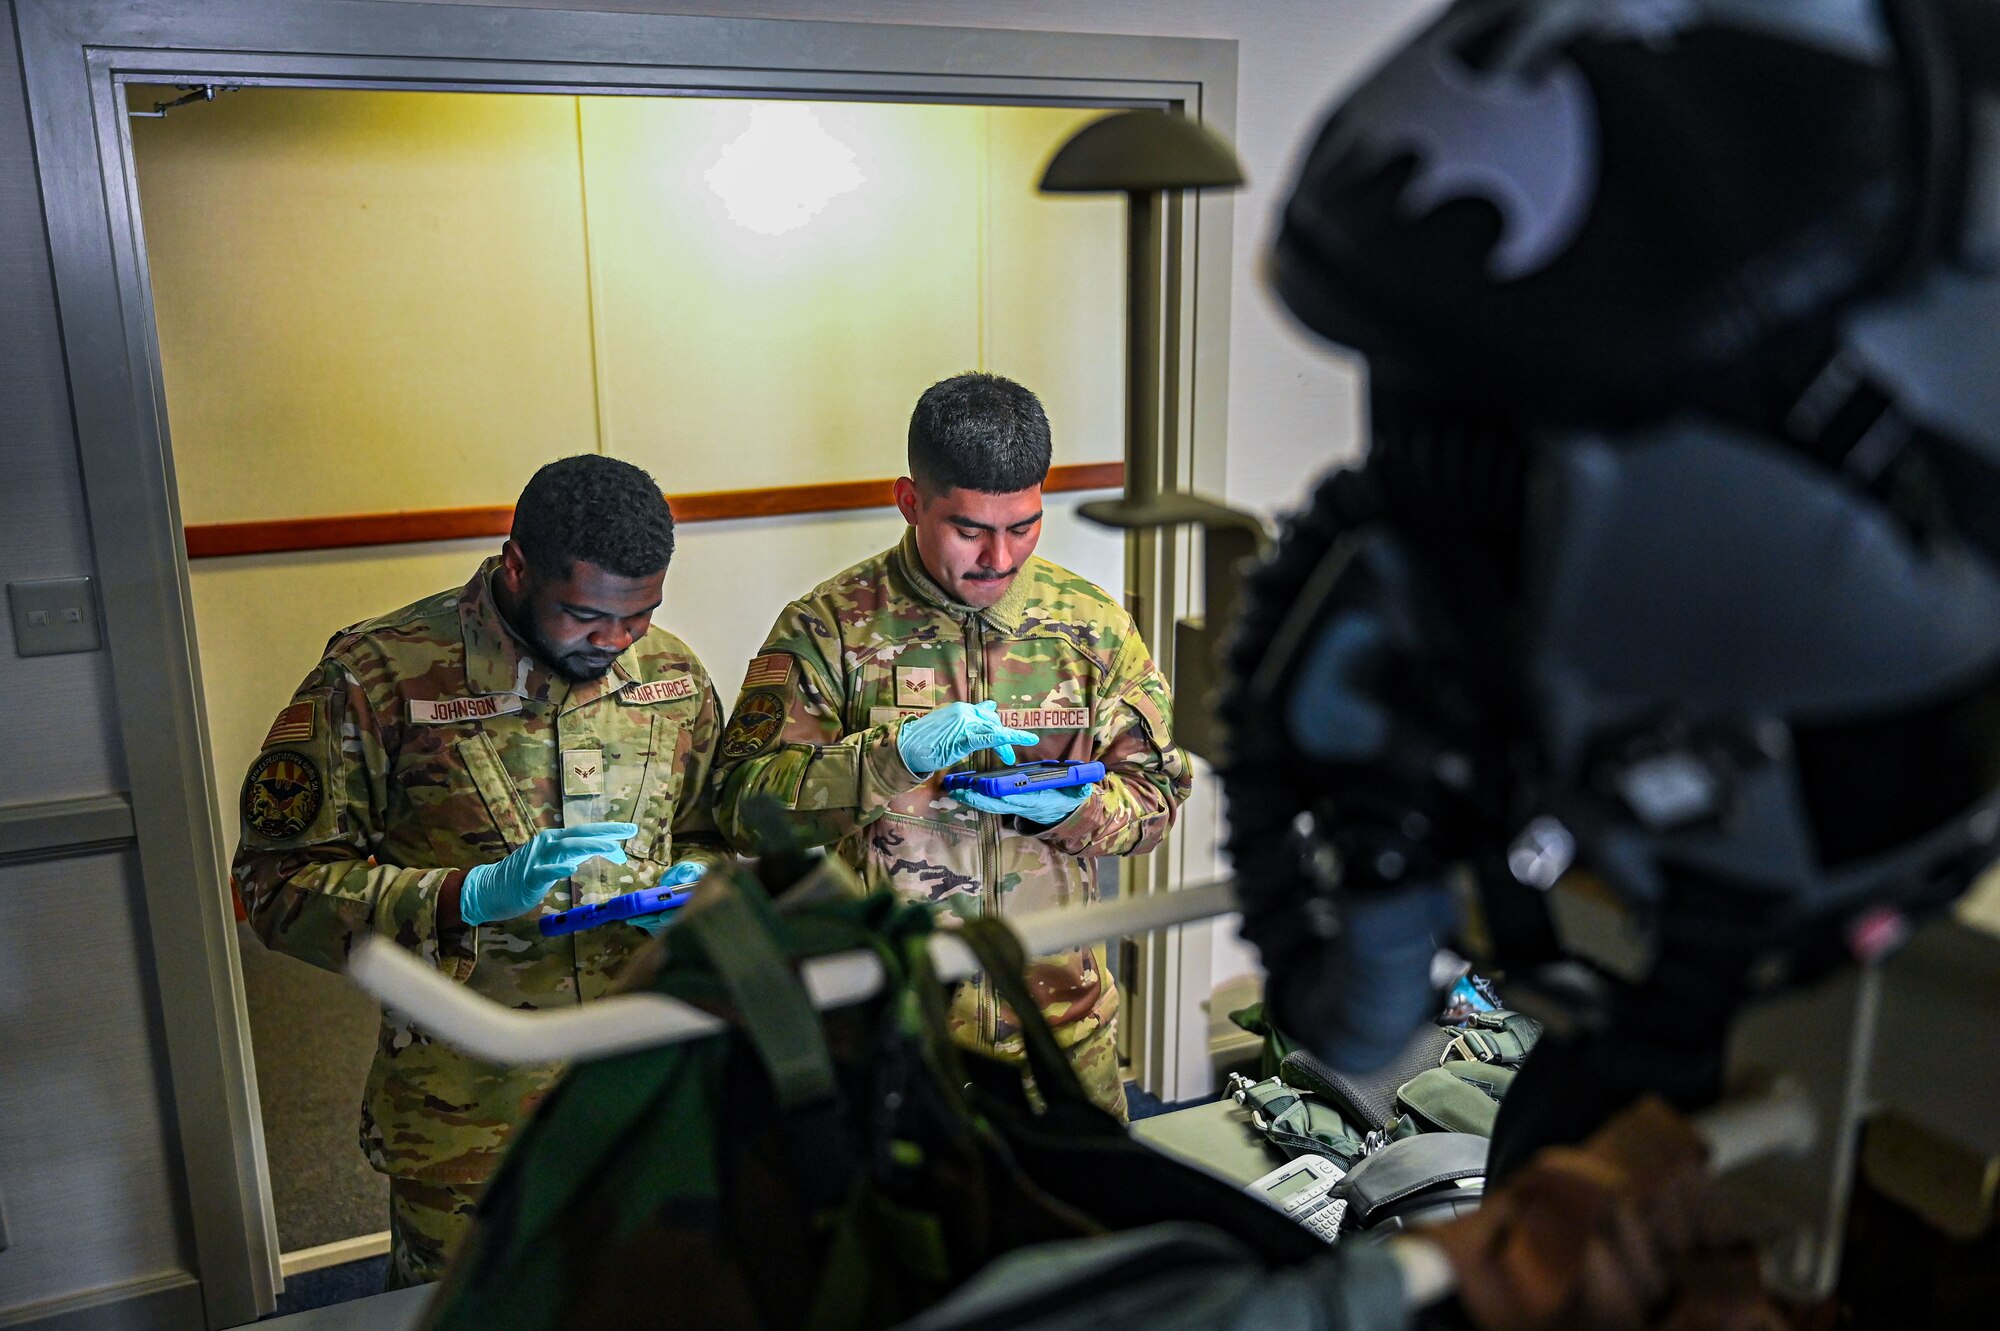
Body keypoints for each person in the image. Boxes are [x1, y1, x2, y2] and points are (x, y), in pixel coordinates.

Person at [233, 454, 728, 1286]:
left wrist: (697, 889)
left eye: (639, 616)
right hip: (470, 1114)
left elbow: (707, 833)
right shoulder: (382, 675)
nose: (614, 641)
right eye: (585, 615)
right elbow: (275, 886)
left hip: (649, 1086)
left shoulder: (671, 677)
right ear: (517, 567)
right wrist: (462, 897)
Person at [709, 372, 1189, 1121]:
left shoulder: (1091, 628)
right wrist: (888, 759)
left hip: (1063, 1035)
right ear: (910, 502)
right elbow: (742, 809)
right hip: (899, 1037)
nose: (1000, 557)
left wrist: (1080, 811)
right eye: (970, 530)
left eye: (1024, 526)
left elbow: (1158, 798)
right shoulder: (831, 629)